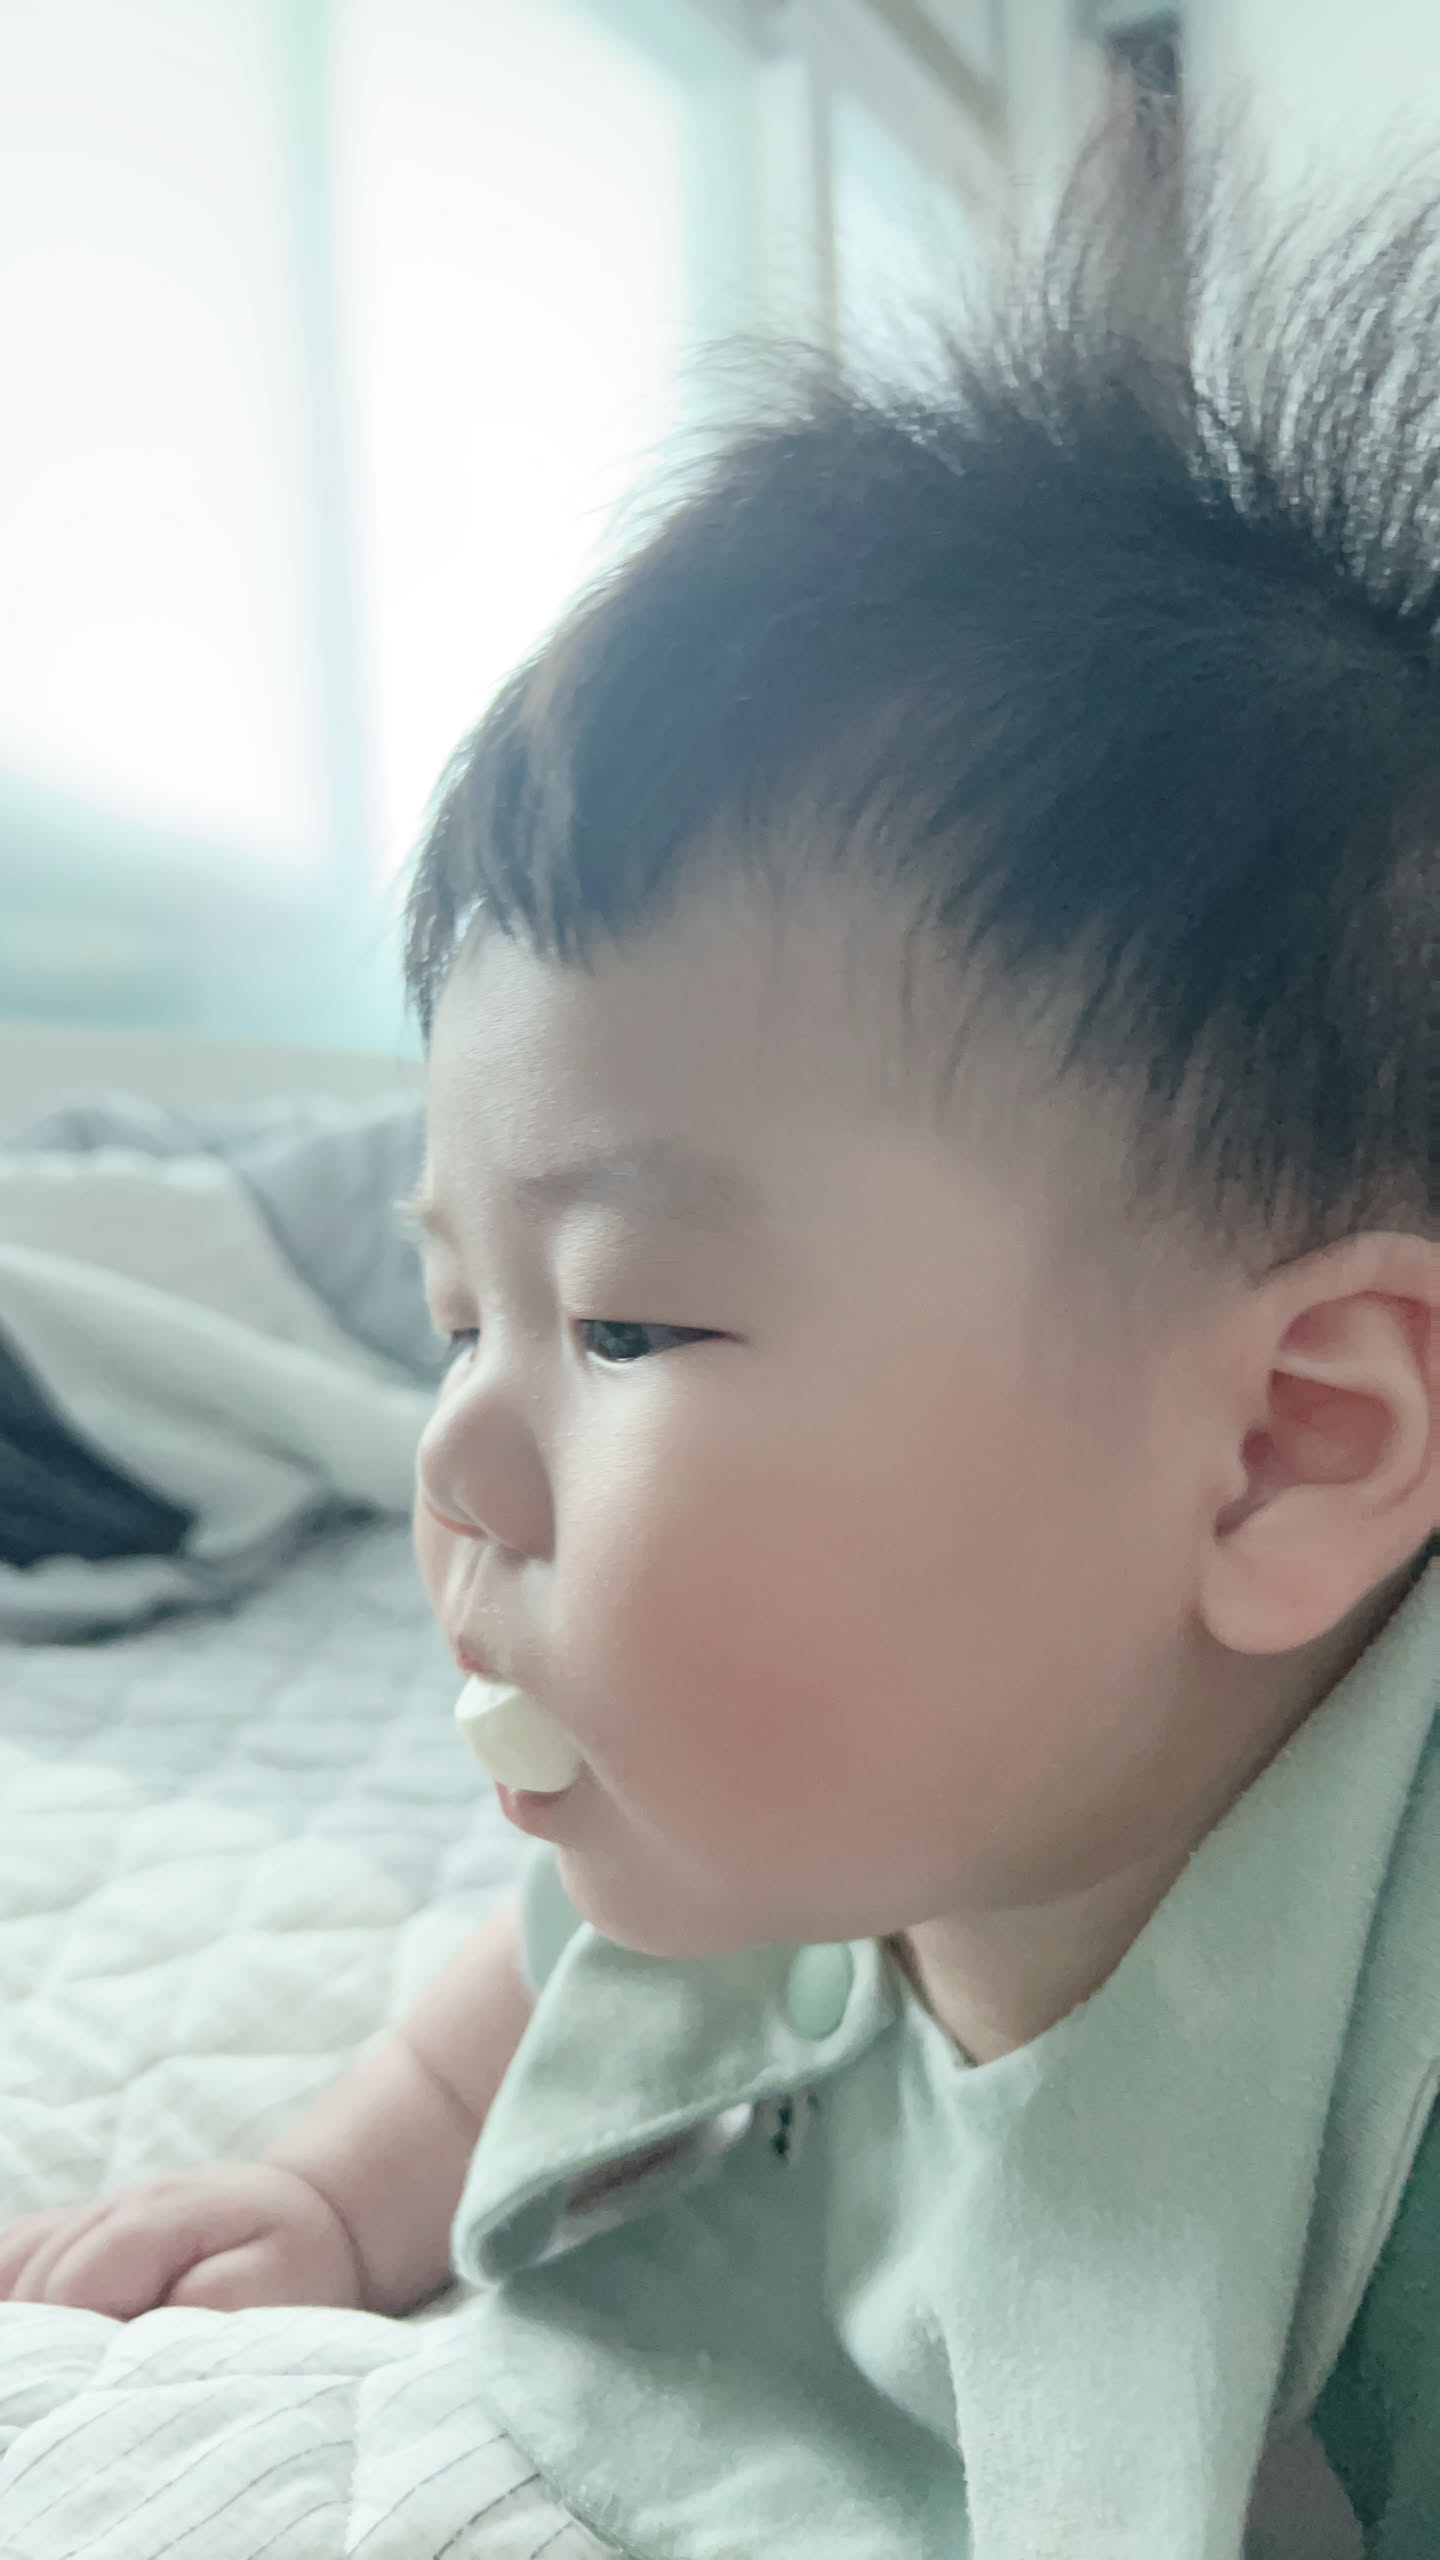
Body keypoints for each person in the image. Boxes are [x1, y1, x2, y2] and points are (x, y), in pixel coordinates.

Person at [1, 128, 1435, 2556]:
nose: (457, 1458)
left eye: (624, 1316)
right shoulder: (830, 1760)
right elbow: (551, 1982)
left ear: (1282, 1443)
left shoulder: (1387, 2114)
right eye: (458, 1313)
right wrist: (333, 2187)